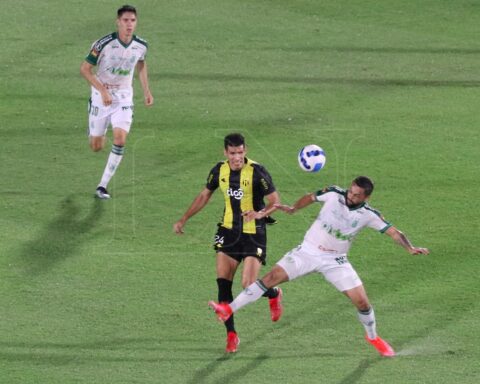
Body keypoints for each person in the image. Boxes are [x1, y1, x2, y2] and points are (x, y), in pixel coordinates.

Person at [209, 176, 429, 357]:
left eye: (357, 195)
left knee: (362, 302)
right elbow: (311, 197)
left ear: (366, 197)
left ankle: (373, 337)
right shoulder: (334, 193)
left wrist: (409, 248)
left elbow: (394, 232)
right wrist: (294, 208)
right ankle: (228, 309)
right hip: (307, 251)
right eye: (351, 191)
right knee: (270, 278)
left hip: (336, 261)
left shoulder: (369, 215)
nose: (351, 196)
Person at [174, 133, 283, 353]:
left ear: (246, 150)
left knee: (248, 285)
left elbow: (275, 202)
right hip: (228, 231)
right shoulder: (219, 171)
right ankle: (231, 335)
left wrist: (261, 213)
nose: (236, 157)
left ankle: (274, 294)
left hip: (253, 233)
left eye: (240, 152)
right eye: (232, 153)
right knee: (223, 284)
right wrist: (184, 218)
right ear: (225, 153)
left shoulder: (257, 172)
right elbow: (204, 196)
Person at [80, 4, 154, 199]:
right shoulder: (102, 44)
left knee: (120, 139)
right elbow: (85, 69)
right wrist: (102, 90)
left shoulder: (141, 45)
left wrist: (146, 90)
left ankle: (102, 186)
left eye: (133, 20)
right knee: (96, 146)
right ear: (118, 22)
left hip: (123, 97)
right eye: (125, 20)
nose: (129, 24)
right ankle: (95, 126)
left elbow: (141, 63)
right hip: (100, 96)